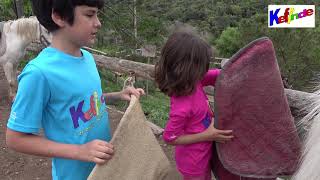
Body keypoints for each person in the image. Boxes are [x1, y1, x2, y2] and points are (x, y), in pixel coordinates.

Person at [5, 0, 144, 179]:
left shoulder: (87, 57)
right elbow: (15, 139)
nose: (98, 22)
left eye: (97, 14)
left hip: (104, 170)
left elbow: (85, 101)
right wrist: (79, 151)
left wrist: (119, 95)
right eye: (89, 14)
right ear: (59, 17)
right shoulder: (39, 73)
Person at [155, 31, 234, 180]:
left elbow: (216, 75)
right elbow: (170, 138)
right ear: (187, 69)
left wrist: (234, 70)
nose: (205, 70)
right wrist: (208, 135)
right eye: (202, 66)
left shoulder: (194, 82)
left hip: (203, 155)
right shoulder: (182, 106)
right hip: (193, 162)